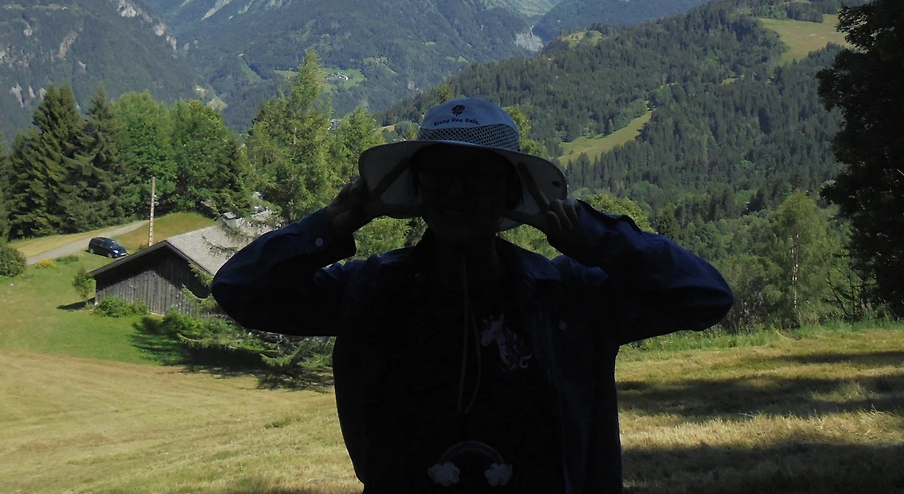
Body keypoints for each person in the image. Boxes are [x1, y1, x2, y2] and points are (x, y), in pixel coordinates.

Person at [212, 97, 733, 493]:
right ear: (419, 188)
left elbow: (706, 295)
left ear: (509, 193)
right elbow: (238, 290)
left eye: (479, 176)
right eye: (439, 174)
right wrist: (328, 226)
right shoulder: (370, 292)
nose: (457, 193)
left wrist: (594, 237)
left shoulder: (568, 297)